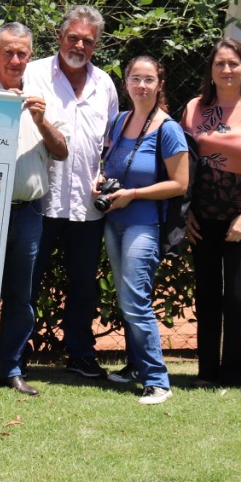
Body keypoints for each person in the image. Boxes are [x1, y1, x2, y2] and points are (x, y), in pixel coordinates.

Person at [0, 23, 68, 402]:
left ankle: (11, 368)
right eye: (8, 52)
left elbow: (62, 151)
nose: (15, 59)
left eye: (22, 52)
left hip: (27, 214)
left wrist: (41, 120)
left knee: (21, 297)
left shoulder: (43, 100)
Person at [24, 5, 120, 380]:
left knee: (83, 287)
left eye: (88, 41)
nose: (79, 45)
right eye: (73, 37)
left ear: (95, 46)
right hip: (40, 200)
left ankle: (80, 354)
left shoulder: (106, 84)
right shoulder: (34, 73)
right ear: (60, 37)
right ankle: (17, 353)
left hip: (86, 204)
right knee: (25, 282)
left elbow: (110, 142)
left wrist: (107, 178)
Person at [181, 38, 241, 389]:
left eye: (233, 64)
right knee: (207, 295)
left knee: (237, 297)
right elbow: (182, 164)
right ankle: (207, 372)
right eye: (220, 63)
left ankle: (237, 373)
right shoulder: (193, 109)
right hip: (202, 214)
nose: (226, 70)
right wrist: (186, 212)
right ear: (210, 70)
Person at [96, 56, 189, 405]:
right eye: (135, 79)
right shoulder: (120, 121)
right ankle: (136, 367)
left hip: (144, 223)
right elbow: (111, 165)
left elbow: (180, 183)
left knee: (136, 299)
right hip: (114, 222)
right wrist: (101, 182)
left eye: (149, 79)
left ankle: (157, 380)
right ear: (127, 84)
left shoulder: (168, 128)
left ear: (160, 84)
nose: (142, 86)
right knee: (125, 297)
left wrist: (132, 194)